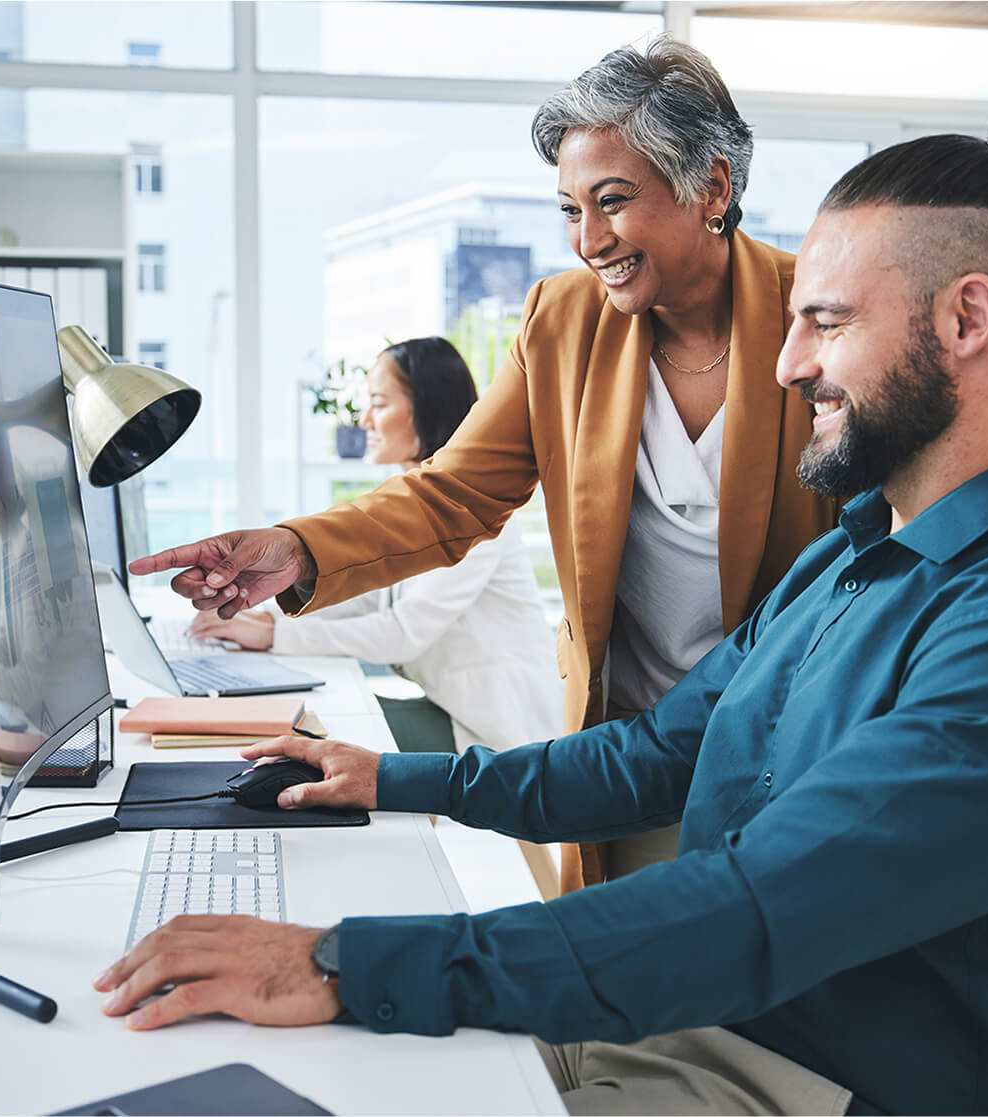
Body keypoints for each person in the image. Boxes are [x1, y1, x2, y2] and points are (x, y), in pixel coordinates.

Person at [97, 124, 988, 1115]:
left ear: (967, 317)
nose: (787, 364)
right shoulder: (842, 557)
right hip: (681, 1006)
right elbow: (651, 756)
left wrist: (335, 963)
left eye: (828, 323)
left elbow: (761, 905)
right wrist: (390, 778)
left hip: (804, 1074)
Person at [129, 36, 838, 892]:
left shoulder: (821, 319)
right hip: (624, 745)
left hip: (791, 744)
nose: (589, 239)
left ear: (713, 187)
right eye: (571, 210)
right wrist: (296, 546)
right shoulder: (564, 320)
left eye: (612, 201)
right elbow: (454, 491)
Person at [186, 337, 563, 756]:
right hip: (454, 708)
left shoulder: (476, 515)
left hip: (502, 728)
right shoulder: (413, 505)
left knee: (315, 735)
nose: (364, 420)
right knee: (304, 724)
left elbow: (402, 633)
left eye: (379, 404)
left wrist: (275, 636)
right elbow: (368, 598)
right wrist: (263, 612)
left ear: (430, 407)